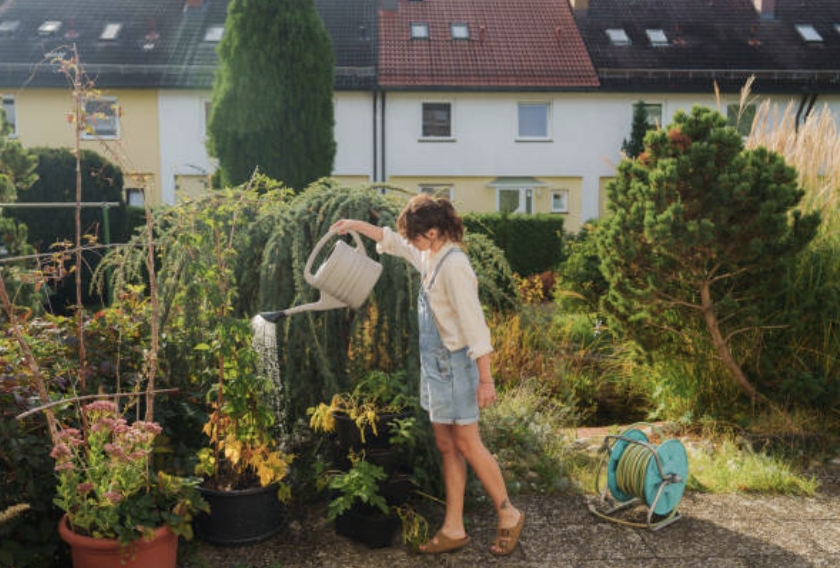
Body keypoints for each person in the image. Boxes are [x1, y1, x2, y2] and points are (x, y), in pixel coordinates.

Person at [330, 194, 524, 556]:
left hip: (457, 367)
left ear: (433, 232)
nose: (412, 242)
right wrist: (353, 226)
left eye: (416, 236)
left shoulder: (454, 266)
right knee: (447, 446)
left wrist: (486, 379)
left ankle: (508, 512)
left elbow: (476, 328)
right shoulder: (429, 253)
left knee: (468, 444)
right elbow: (393, 241)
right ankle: (454, 527)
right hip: (436, 368)